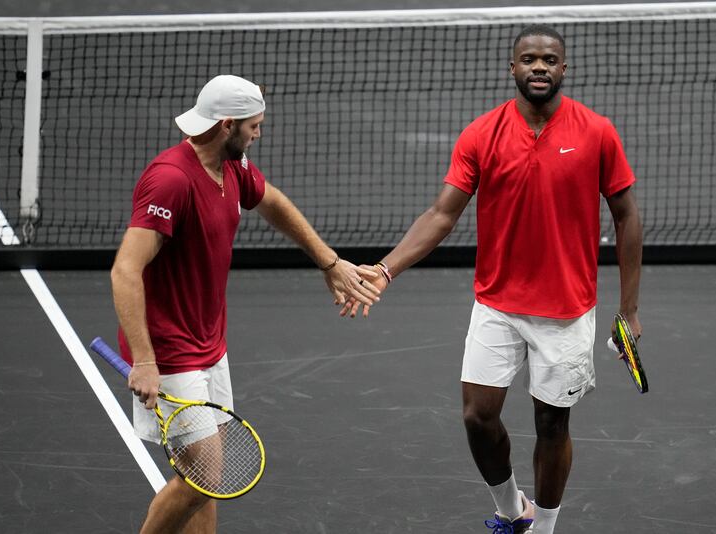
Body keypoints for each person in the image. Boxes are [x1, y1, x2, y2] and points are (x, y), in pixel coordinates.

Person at [344, 25, 642, 533]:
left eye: (550, 59)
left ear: (564, 69)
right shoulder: (482, 133)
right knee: (477, 417)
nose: (539, 67)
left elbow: (627, 216)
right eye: (529, 59)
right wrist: (386, 268)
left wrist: (629, 311)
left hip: (567, 311)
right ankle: (511, 510)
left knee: (552, 424)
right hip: (498, 304)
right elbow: (442, 214)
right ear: (513, 68)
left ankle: (544, 527)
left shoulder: (597, 132)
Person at [110, 74, 381, 533]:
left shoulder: (233, 167)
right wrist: (145, 360)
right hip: (171, 354)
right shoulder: (171, 182)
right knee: (204, 479)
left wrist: (329, 262)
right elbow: (125, 270)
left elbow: (271, 201)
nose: (259, 133)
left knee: (201, 477)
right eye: (254, 126)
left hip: (210, 346)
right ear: (227, 125)